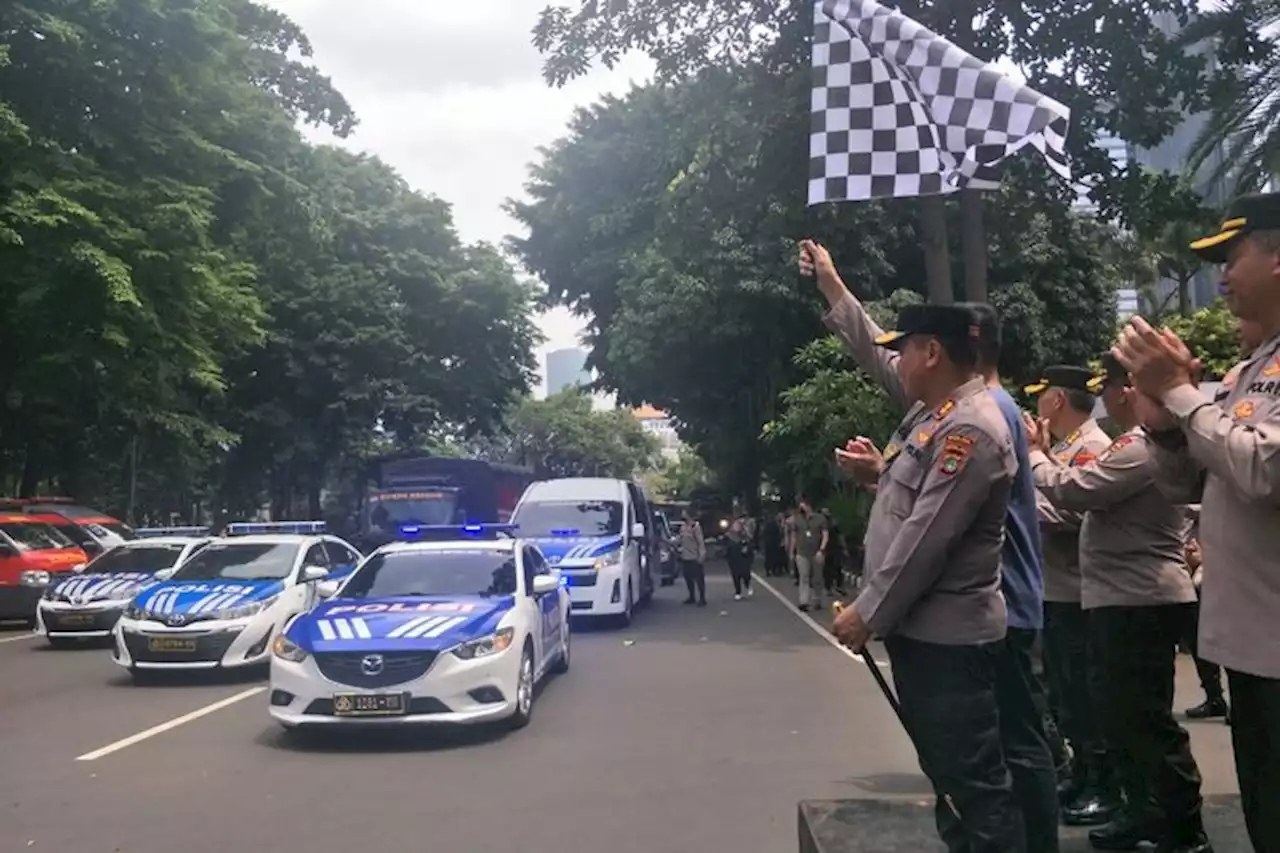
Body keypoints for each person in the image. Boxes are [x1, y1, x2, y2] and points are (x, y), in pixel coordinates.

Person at [806, 239, 1055, 853]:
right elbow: (873, 357)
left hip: (953, 635)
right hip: (931, 632)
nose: (898, 361)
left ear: (933, 352)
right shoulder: (936, 411)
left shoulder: (969, 425)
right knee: (955, 779)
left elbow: (927, 538)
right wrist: (834, 290)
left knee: (975, 784)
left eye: (906, 349)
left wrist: (868, 612)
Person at [1115, 193, 1280, 853]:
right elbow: (1193, 484)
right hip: (1253, 643)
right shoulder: (1253, 367)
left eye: (1231, 258)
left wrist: (1181, 395)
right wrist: (1168, 426)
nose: (1221, 279)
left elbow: (1261, 470)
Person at [1028, 355, 1208, 853]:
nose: (1101, 399)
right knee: (1121, 715)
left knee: (1144, 718)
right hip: (1120, 597)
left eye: (1106, 388)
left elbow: (1076, 490)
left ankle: (1182, 825)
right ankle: (1145, 811)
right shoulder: (1132, 442)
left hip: (1140, 598)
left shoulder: (1139, 446)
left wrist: (1036, 456)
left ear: (1128, 390)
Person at [1022, 366, 1117, 825]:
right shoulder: (1060, 450)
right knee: (1064, 694)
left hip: (1079, 592)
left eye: (1042, 395)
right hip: (1058, 589)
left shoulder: (1092, 448)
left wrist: (1027, 504)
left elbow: (1079, 512)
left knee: (1084, 695)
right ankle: (1083, 773)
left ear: (1057, 400)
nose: (1037, 404)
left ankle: (1104, 782)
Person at [1181, 530, 1228, 721]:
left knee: (1227, 642)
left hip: (1214, 571)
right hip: (1188, 576)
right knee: (1198, 641)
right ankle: (1214, 697)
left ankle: (1226, 700)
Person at [788, 496, 828, 611]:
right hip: (802, 552)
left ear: (808, 505)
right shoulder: (797, 519)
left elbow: (825, 535)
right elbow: (794, 536)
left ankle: (817, 599)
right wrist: (792, 551)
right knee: (803, 577)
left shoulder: (820, 519)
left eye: (802, 504)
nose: (800, 507)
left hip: (816, 553)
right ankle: (804, 601)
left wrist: (822, 549)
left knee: (817, 578)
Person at [676, 508, 707, 607]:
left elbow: (700, 542)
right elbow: (679, 540)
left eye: (684, 513)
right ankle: (691, 596)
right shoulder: (683, 527)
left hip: (695, 557)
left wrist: (702, 555)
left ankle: (702, 598)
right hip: (686, 556)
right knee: (688, 578)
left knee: (699, 579)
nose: (682, 514)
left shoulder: (695, 527)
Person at [725, 508, 755, 600]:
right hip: (734, 557)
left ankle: (748, 585)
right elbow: (727, 546)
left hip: (744, 557)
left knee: (745, 573)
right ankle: (738, 591)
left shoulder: (746, 533)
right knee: (735, 575)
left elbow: (750, 541)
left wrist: (746, 546)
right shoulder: (730, 535)